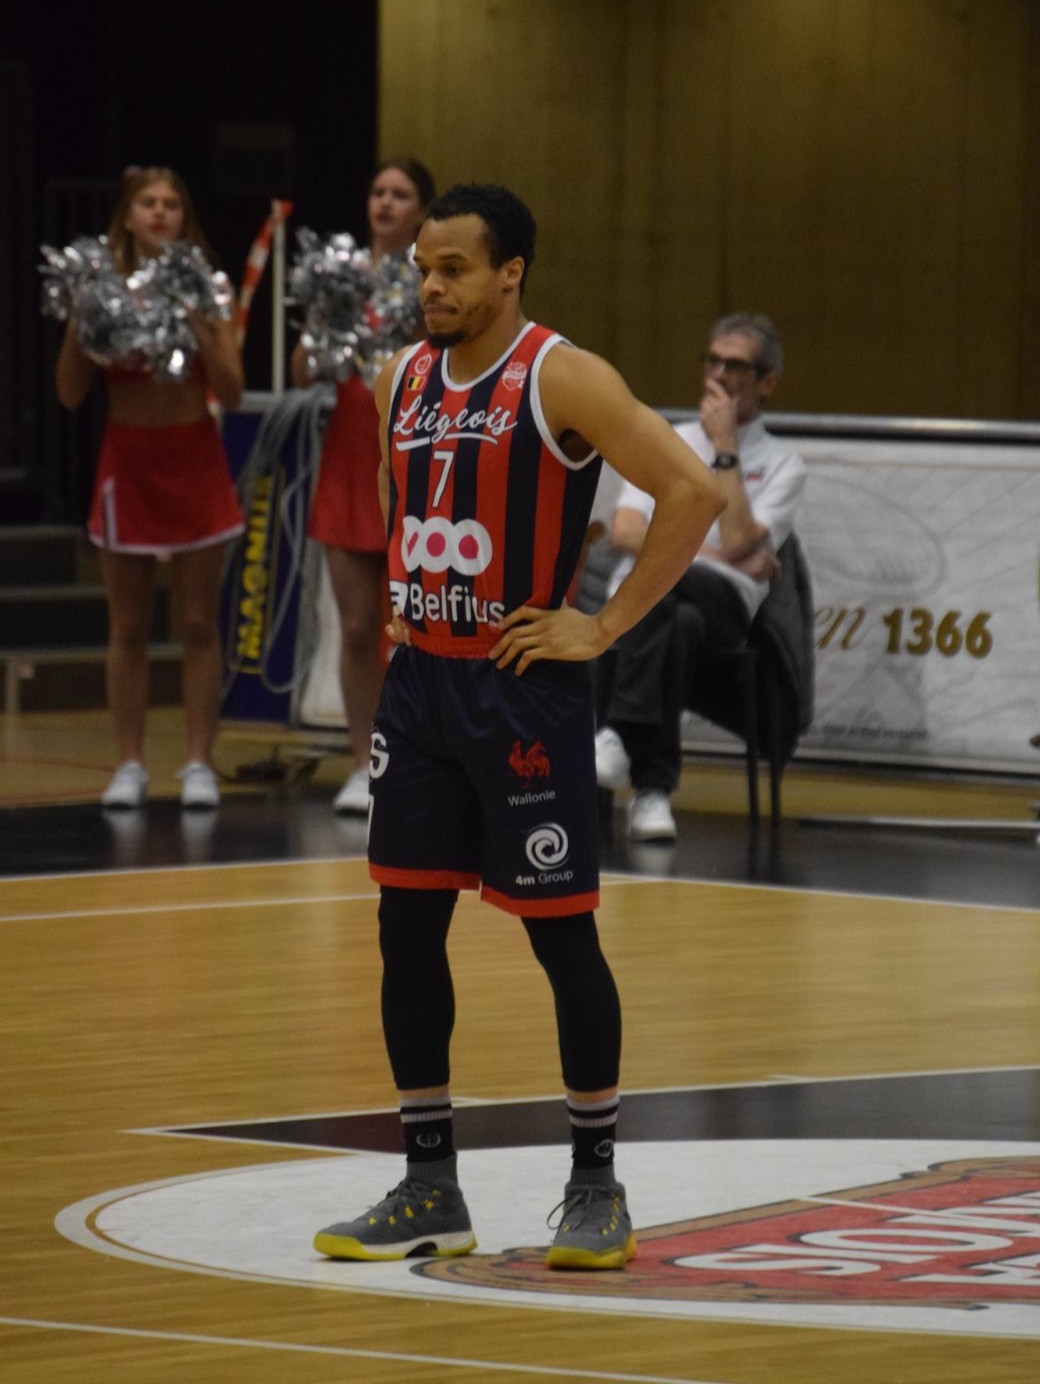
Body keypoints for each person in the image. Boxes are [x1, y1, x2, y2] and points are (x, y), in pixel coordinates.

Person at [313, 184, 723, 1271]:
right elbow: (403, 500)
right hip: (420, 689)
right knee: (405, 931)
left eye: (452, 268)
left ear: (510, 273)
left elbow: (693, 490)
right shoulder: (401, 377)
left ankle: (595, 1185)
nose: (431, 286)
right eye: (422, 268)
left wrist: (604, 625)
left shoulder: (561, 374)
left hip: (521, 689)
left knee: (561, 937)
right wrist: (407, 597)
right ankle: (429, 1187)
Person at [55, 166, 245, 810]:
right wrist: (81, 321)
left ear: (184, 217)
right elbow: (69, 392)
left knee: (197, 623)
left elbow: (233, 390)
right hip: (128, 465)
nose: (161, 212)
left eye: (172, 204)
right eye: (148, 203)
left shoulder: (209, 285)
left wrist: (200, 320)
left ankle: (198, 763)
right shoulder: (103, 289)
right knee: (129, 624)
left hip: (194, 460)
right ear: (128, 216)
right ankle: (129, 764)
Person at [595, 313, 807, 841]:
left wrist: (724, 447)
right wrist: (719, 554)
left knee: (673, 590)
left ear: (766, 381)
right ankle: (653, 792)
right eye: (712, 360)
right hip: (651, 598)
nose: (718, 374)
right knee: (677, 623)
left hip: (725, 607)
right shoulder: (665, 439)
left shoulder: (784, 464)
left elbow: (738, 539)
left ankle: (619, 732)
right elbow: (625, 530)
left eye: (735, 365)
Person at [291, 156, 436, 815]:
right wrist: (324, 315)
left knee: (417, 631)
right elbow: (303, 372)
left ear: (422, 210)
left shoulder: (433, 280)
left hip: (415, 458)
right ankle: (363, 763)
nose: (385, 203)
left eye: (400, 194)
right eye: (378, 191)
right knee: (355, 631)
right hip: (350, 458)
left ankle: (418, 762)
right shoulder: (342, 278)